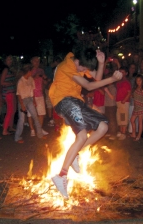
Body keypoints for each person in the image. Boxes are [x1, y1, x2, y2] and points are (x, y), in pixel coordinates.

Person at [49, 47, 122, 198]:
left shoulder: (79, 64)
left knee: (103, 126)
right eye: (83, 67)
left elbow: (97, 78)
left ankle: (78, 153)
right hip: (63, 101)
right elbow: (89, 86)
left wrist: (101, 63)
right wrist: (113, 79)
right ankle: (61, 175)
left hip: (76, 101)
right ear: (78, 61)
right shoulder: (66, 67)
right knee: (81, 136)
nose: (84, 70)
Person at [15, 65, 48, 143]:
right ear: (28, 72)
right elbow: (18, 94)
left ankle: (39, 134)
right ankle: (17, 137)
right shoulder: (21, 81)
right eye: (31, 71)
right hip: (22, 100)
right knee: (22, 120)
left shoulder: (30, 79)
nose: (32, 72)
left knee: (35, 117)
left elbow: (32, 91)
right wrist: (22, 105)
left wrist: (33, 100)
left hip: (29, 99)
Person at [129, 74, 143, 141]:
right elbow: (134, 96)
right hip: (136, 107)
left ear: (142, 81)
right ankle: (133, 134)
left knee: (140, 121)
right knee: (132, 120)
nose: (138, 82)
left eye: (140, 80)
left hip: (141, 106)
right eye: (137, 80)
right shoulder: (135, 88)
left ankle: (138, 136)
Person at [0, 55, 17, 136]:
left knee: (13, 110)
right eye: (8, 59)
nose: (10, 61)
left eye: (11, 59)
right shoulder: (5, 69)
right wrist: (11, 83)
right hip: (8, 93)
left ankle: (10, 127)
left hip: (12, 92)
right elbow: (2, 82)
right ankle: (4, 129)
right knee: (10, 111)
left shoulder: (10, 69)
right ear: (5, 61)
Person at [115, 66, 132, 140]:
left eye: (123, 72)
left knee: (123, 116)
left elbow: (129, 92)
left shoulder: (127, 82)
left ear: (126, 73)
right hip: (119, 102)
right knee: (119, 116)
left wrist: (124, 100)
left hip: (124, 102)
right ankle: (121, 131)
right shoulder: (119, 82)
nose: (121, 73)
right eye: (120, 72)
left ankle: (123, 133)